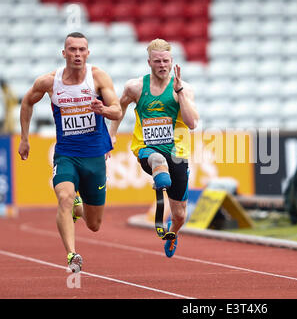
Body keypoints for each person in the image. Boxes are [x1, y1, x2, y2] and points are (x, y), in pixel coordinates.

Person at [18, 32, 122, 272]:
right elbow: (26, 102)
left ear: (88, 53)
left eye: (81, 50)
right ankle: (72, 255)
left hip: (95, 156)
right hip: (66, 154)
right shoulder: (50, 82)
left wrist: (103, 110)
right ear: (64, 53)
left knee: (94, 224)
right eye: (72, 50)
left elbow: (117, 111)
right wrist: (24, 138)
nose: (77, 54)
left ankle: (79, 207)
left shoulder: (98, 77)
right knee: (63, 197)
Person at [109, 38, 199, 258]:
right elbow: (119, 108)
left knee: (179, 215)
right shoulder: (135, 87)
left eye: (166, 61)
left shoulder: (184, 88)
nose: (162, 65)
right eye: (157, 61)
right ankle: (160, 177)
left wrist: (180, 94)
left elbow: (192, 123)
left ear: (172, 61)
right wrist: (110, 135)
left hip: (177, 153)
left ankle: (172, 233)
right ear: (149, 62)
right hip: (147, 149)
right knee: (157, 161)